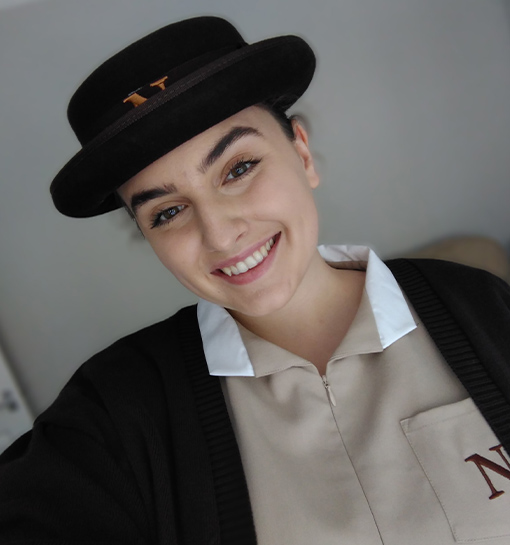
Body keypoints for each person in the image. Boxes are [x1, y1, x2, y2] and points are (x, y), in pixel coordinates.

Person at [1, 15, 510, 545]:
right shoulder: (114, 411)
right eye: (167, 213)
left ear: (303, 154)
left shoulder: (479, 305)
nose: (220, 235)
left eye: (238, 169)